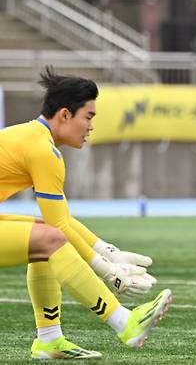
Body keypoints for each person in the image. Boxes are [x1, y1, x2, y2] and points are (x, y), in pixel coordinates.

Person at [0, 67, 173, 359]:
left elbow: (60, 221)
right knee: (49, 239)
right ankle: (124, 323)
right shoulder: (44, 151)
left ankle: (49, 339)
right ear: (65, 115)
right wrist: (109, 273)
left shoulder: (34, 139)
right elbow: (61, 228)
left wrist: (109, 252)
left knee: (43, 237)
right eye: (88, 117)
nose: (91, 126)